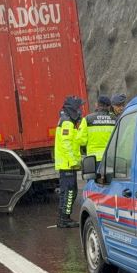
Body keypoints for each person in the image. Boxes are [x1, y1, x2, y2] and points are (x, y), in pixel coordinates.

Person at [53, 96, 84, 228]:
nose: (80, 111)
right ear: (72, 109)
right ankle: (64, 219)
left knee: (69, 192)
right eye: (78, 108)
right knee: (69, 192)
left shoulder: (67, 120)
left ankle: (63, 218)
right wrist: (73, 162)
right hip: (67, 165)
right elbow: (66, 144)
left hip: (68, 164)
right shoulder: (67, 123)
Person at [77, 95, 116, 167]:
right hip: (110, 158)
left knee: (94, 174)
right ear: (108, 106)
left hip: (93, 158)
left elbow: (81, 141)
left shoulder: (88, 119)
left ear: (97, 105)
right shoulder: (115, 119)